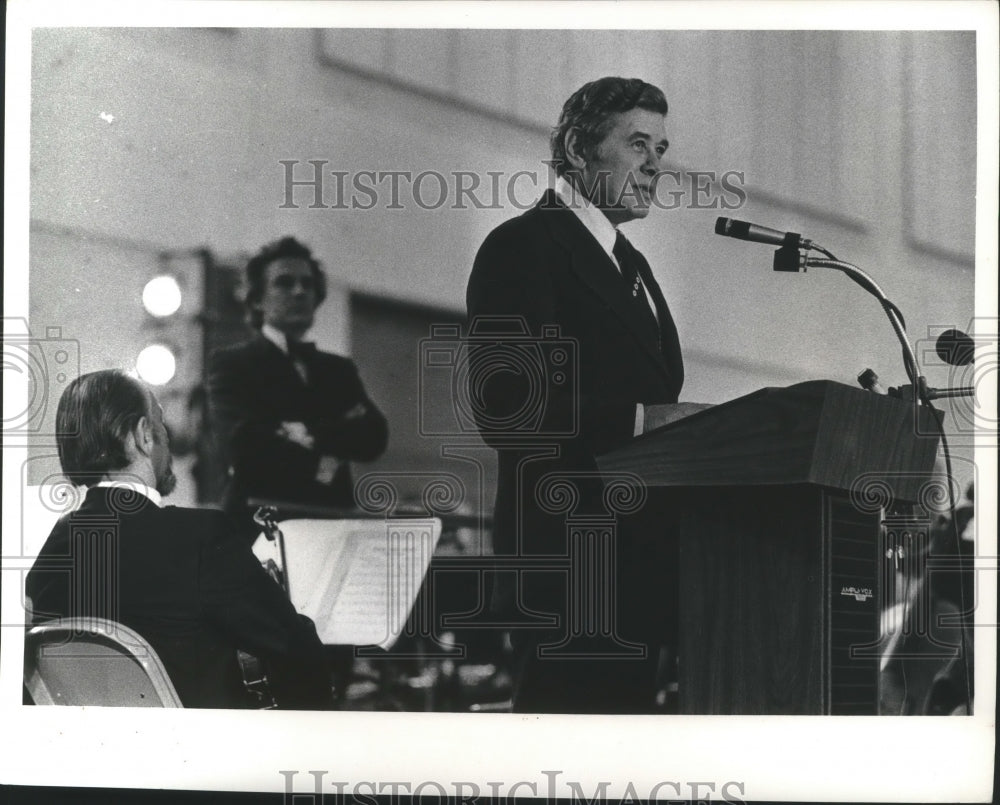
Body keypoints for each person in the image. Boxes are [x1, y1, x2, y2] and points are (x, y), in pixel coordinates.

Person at [465, 77, 685, 713]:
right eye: (637, 143)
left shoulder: (633, 266)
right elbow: (505, 407)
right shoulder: (522, 245)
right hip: (565, 563)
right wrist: (645, 421)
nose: (655, 165)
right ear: (578, 150)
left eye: (660, 149)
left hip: (637, 563)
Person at [25, 370, 333, 709]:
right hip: (204, 741)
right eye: (160, 424)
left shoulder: (50, 556)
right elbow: (298, 655)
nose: (167, 438)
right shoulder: (202, 535)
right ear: (144, 435)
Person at [207, 236, 388, 527]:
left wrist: (305, 433)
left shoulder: (338, 369)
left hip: (329, 522)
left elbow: (374, 437)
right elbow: (245, 449)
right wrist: (333, 450)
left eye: (308, 283)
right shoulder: (232, 364)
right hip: (259, 526)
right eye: (284, 283)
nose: (300, 291)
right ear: (257, 299)